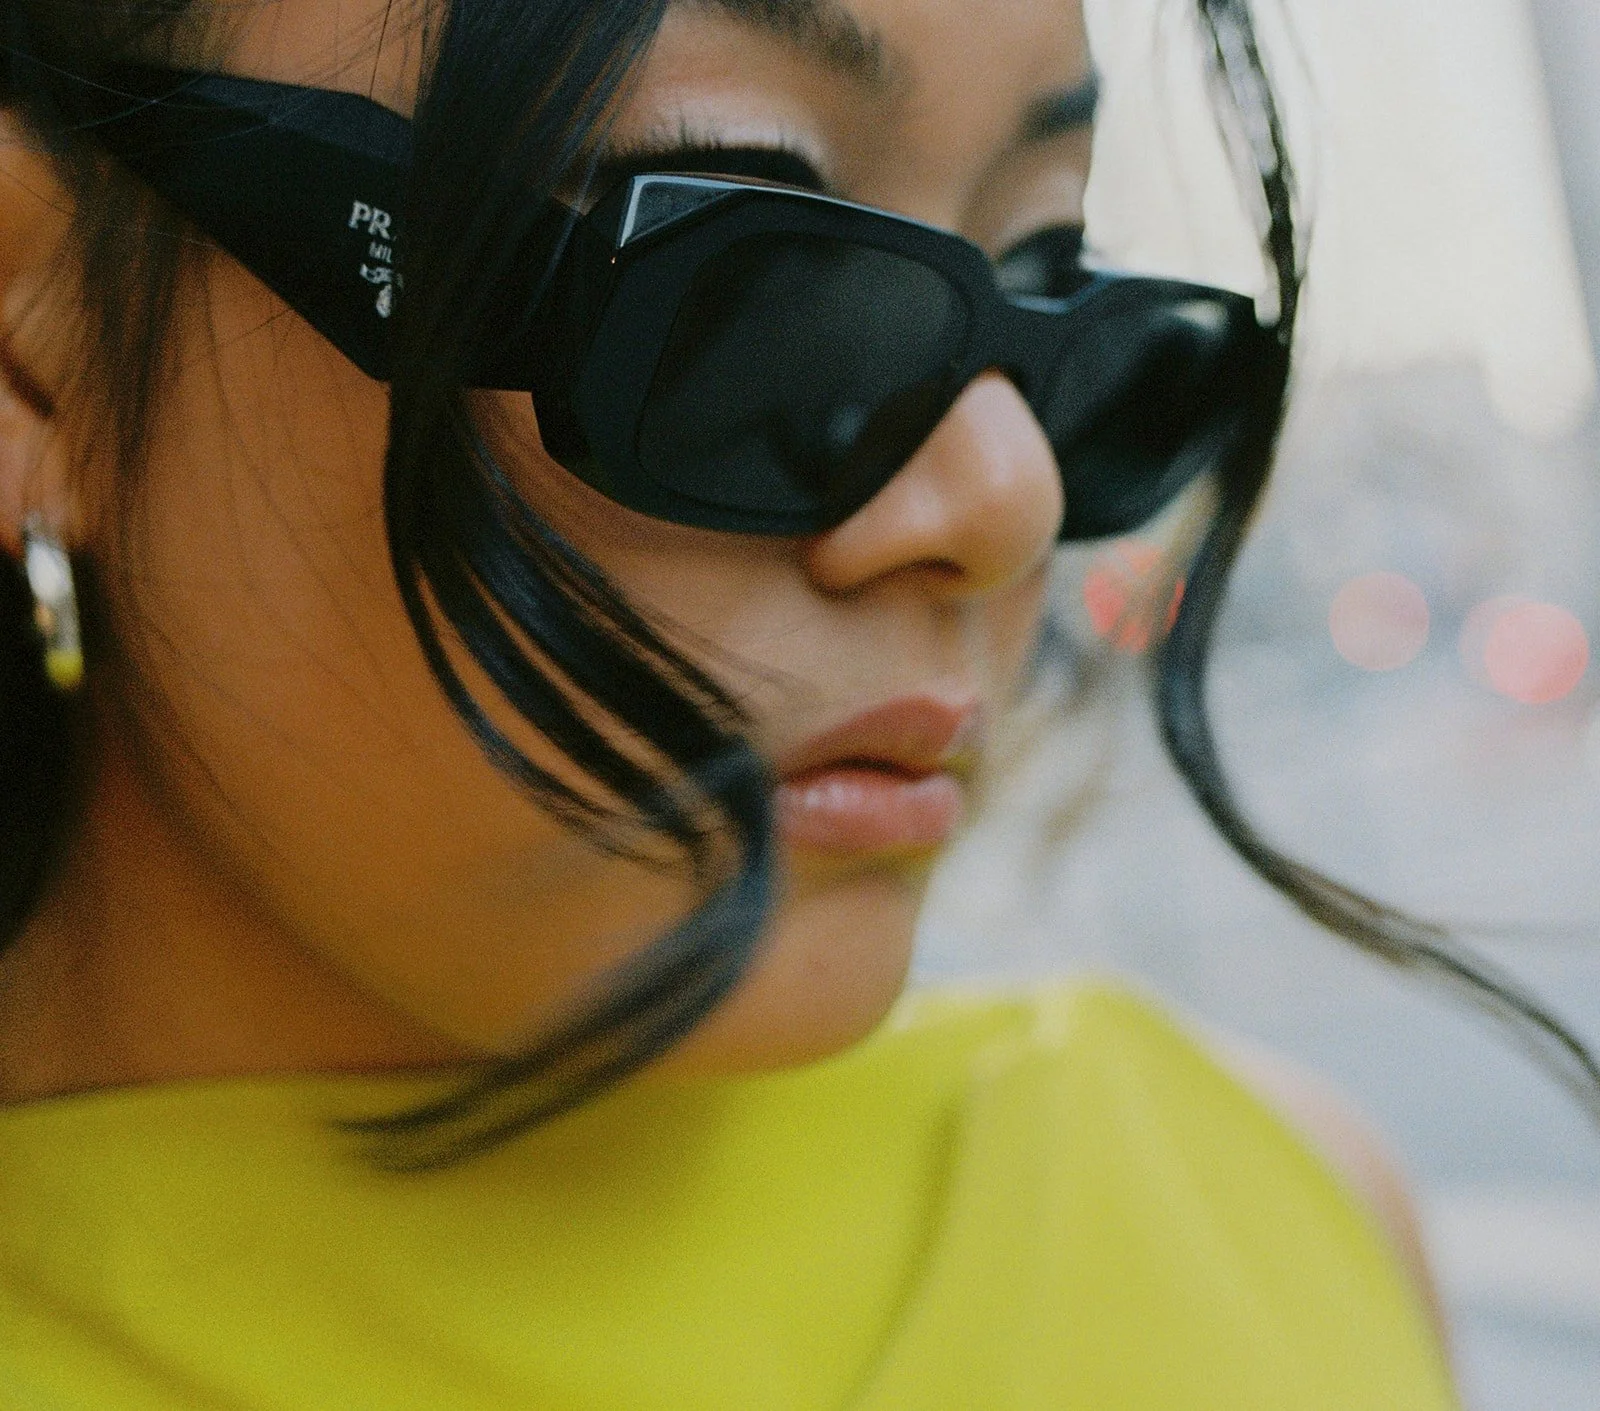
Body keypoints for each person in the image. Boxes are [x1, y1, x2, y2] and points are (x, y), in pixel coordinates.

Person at [0, 0, 1473, 1404]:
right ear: (27, 349)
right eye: (739, 258)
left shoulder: (1276, 1199)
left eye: (1047, 271)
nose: (1010, 496)